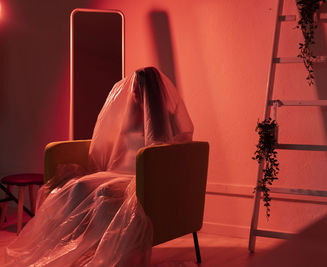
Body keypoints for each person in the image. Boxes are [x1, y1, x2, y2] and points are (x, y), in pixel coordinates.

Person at [1, 67, 194, 266]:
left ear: (150, 90)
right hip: (118, 171)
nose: (134, 91)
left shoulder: (167, 117)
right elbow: (113, 142)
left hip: (140, 175)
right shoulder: (130, 113)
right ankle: (64, 248)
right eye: (134, 87)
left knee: (104, 191)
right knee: (77, 186)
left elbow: (174, 148)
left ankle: (106, 255)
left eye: (138, 88)